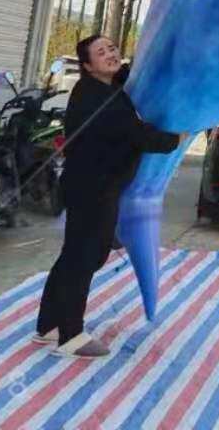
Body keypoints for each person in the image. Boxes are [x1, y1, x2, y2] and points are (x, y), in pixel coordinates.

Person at [35, 35, 181, 358]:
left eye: (112, 48)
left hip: (89, 186)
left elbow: (128, 74)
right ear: (88, 66)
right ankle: (71, 336)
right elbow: (141, 136)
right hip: (93, 190)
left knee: (74, 255)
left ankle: (49, 324)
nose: (111, 55)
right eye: (101, 53)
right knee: (85, 258)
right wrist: (181, 135)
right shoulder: (97, 99)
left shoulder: (102, 86)